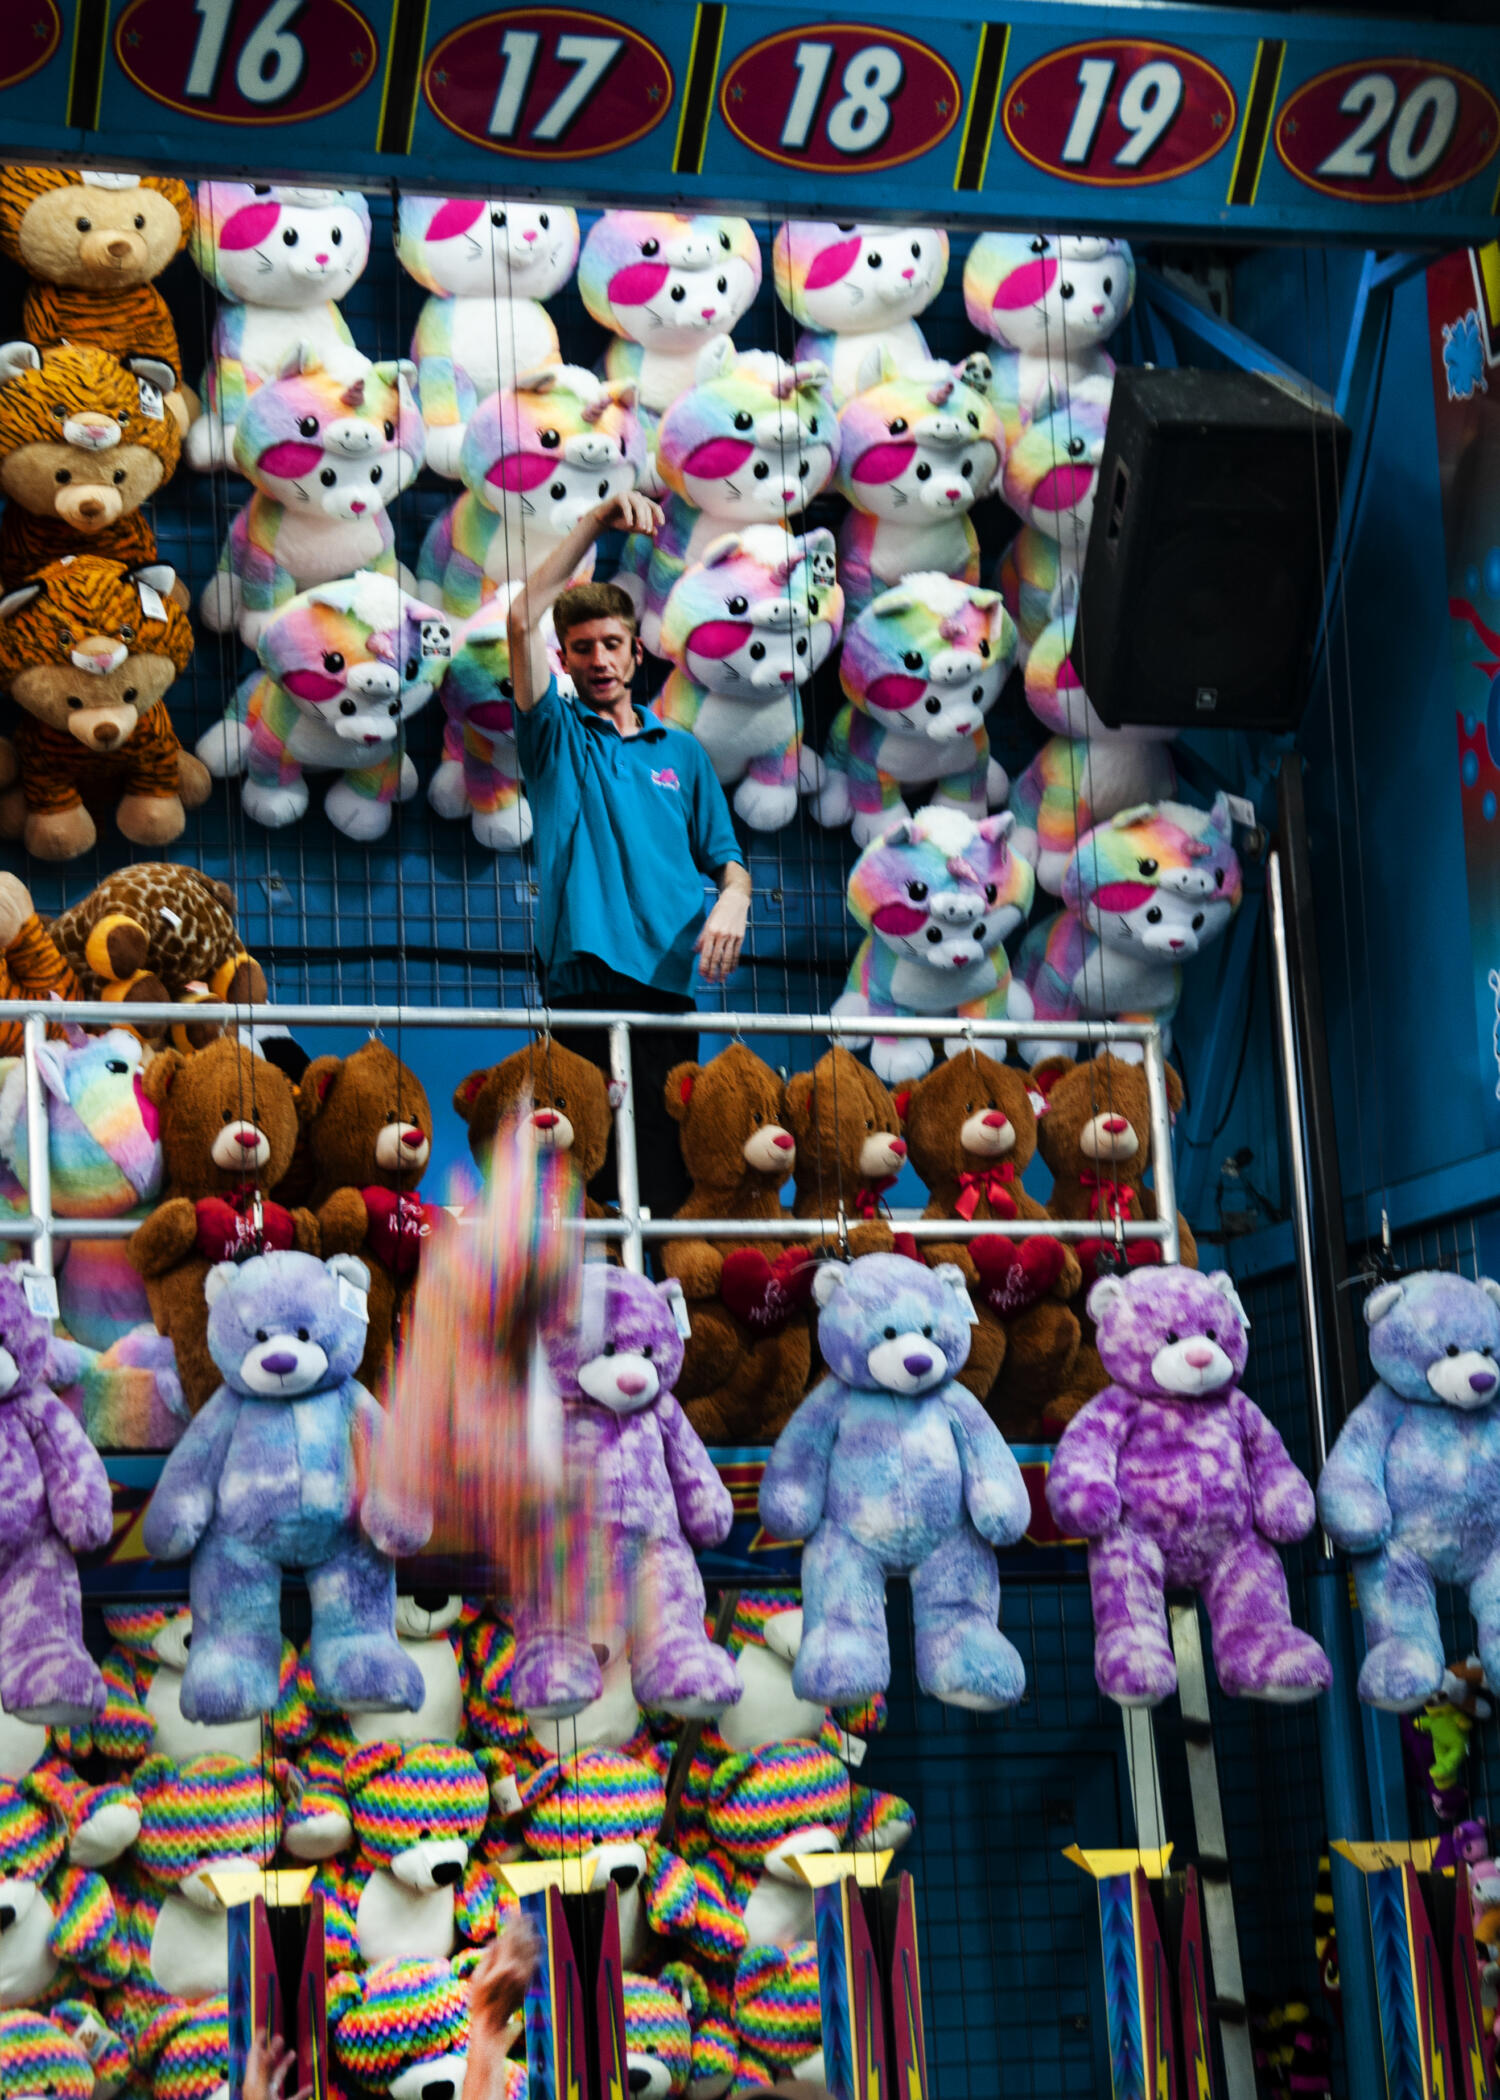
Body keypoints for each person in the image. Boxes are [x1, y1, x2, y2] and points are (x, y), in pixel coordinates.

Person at [509, 491, 750, 1224]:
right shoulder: (554, 735)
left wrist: (735, 898)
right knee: (582, 1178)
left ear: (636, 652)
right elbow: (520, 618)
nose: (600, 659)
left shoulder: (682, 751)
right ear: (564, 660)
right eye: (582, 648)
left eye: (612, 644)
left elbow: (726, 858)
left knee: (670, 1181)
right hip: (582, 983)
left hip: (670, 986)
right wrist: (595, 522)